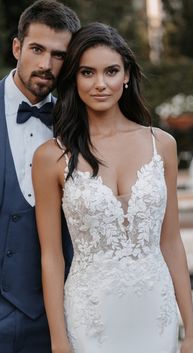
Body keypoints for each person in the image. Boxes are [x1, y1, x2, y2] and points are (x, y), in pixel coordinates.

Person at [32, 22, 193, 353]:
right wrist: (59, 341)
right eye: (87, 73)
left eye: (111, 71)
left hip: (156, 313)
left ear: (126, 75)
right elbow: (51, 257)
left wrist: (192, 332)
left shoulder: (162, 144)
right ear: (74, 79)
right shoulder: (51, 156)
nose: (100, 84)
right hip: (90, 315)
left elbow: (171, 243)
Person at [0, 1, 80, 352]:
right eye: (36, 49)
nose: (46, 65)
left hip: (63, 317)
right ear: (17, 47)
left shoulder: (81, 122)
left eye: (59, 55)